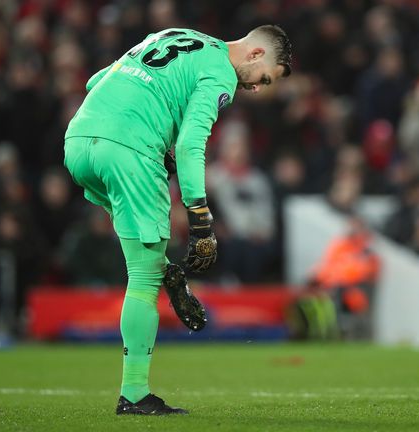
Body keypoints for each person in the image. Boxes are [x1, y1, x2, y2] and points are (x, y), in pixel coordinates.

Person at [63, 25, 292, 415]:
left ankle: (166, 269)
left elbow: (95, 80)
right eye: (264, 78)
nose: (256, 88)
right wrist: (200, 215)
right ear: (255, 54)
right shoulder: (220, 73)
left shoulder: (173, 33)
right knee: (143, 277)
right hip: (130, 150)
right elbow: (189, 145)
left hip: (79, 141)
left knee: (145, 256)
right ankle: (134, 394)